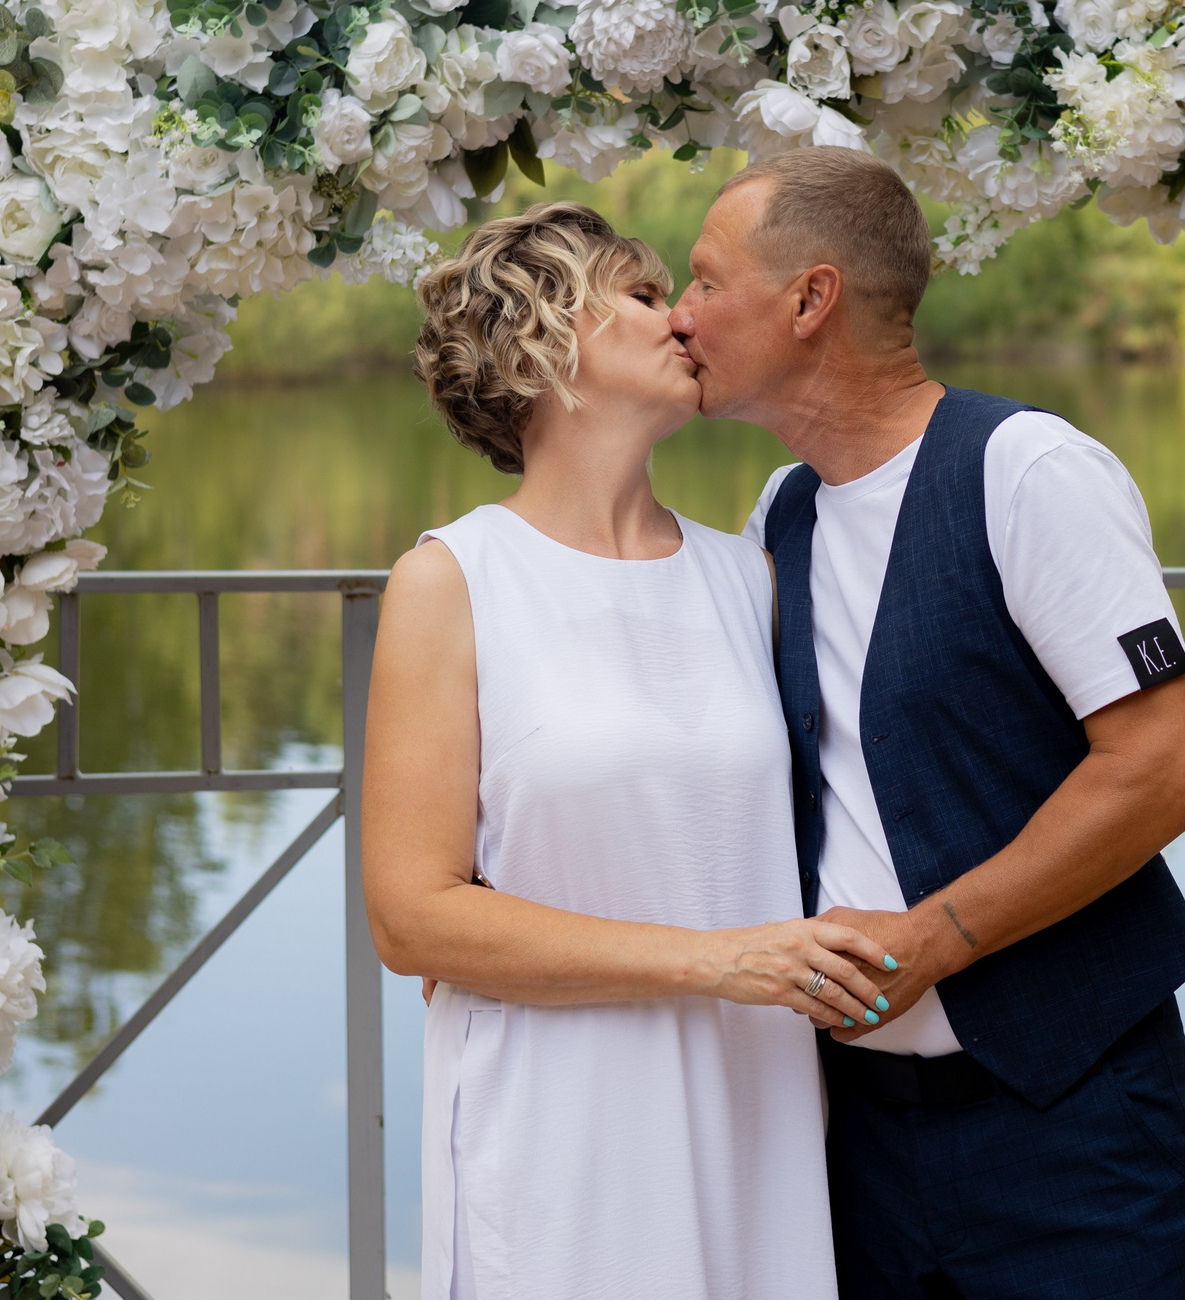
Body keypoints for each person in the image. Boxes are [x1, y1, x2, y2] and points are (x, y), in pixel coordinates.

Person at [669, 146, 1185, 1299]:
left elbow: (1164, 772)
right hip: (856, 1143)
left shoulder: (1028, 472)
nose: (681, 316)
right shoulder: (785, 511)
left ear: (810, 299)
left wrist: (937, 939)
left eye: (707, 282)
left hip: (1071, 1131)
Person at [359, 202, 895, 1300]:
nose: (684, 322)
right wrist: (714, 963)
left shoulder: (749, 576)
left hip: (758, 1109)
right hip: (560, 1123)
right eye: (646, 298)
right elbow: (412, 918)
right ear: (547, 342)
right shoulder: (454, 581)